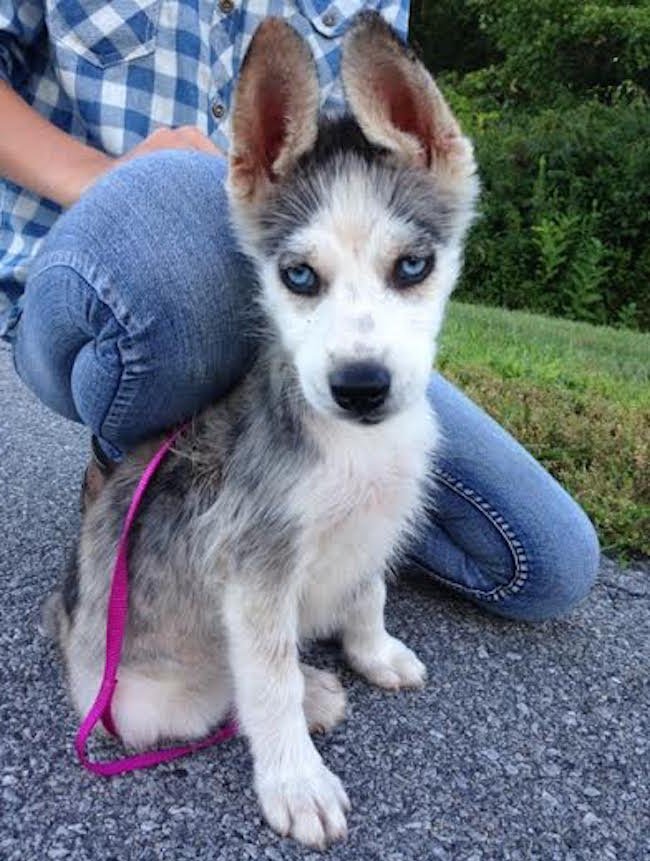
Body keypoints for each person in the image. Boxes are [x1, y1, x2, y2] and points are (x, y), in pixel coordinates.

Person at [0, 1, 599, 622]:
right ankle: (141, 477)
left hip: (287, 310)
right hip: (106, 279)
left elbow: (365, 170)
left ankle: (300, 524)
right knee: (171, 217)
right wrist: (102, 176)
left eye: (411, 268)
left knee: (543, 561)